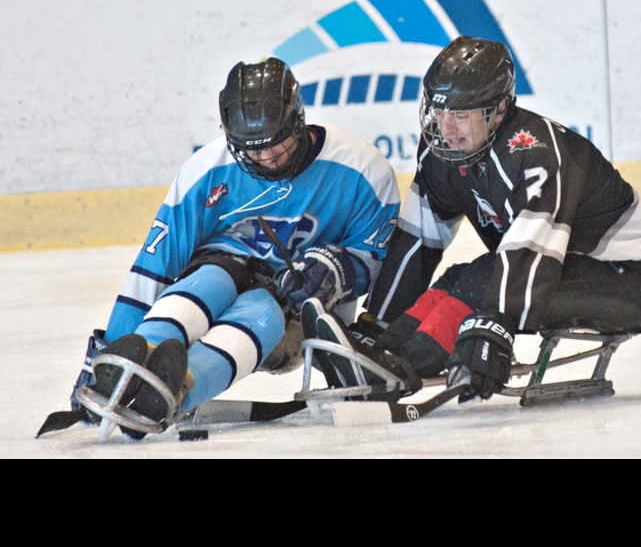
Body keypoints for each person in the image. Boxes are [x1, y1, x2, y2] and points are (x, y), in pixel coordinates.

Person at [311, 35, 641, 402]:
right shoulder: (440, 152)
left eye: (460, 115)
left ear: (499, 111)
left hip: (635, 278)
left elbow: (532, 250)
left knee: (477, 283)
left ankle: (402, 365)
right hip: (567, 266)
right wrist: (377, 323)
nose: (445, 128)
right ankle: (385, 350)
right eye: (439, 112)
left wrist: (494, 324)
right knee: (459, 277)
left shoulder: (534, 151)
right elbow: (417, 243)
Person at [70, 57, 400, 435]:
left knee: (263, 310)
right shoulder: (206, 169)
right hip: (218, 267)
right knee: (212, 278)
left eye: (279, 142)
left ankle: (175, 390)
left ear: (299, 119)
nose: (268, 157)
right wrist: (107, 350)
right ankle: (128, 366)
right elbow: (155, 265)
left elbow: (374, 259)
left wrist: (335, 270)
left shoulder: (363, 170)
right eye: (253, 148)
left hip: (289, 307)